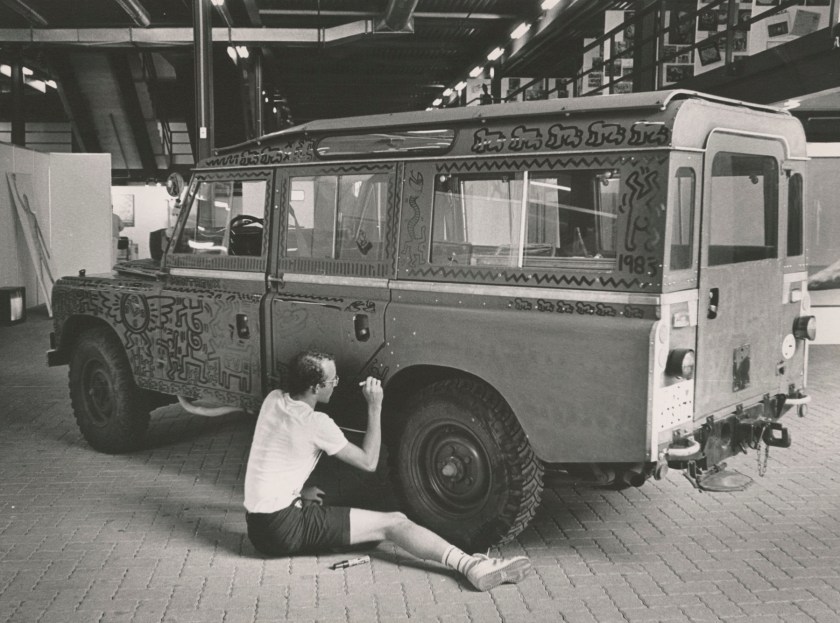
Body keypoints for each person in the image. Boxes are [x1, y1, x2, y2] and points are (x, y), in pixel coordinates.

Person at [243, 351, 532, 591]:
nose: (336, 384)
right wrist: (375, 406)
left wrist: (297, 492)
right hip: (282, 528)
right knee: (394, 523)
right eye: (333, 380)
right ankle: (471, 566)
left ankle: (335, 533)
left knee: (370, 531)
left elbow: (274, 454)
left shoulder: (274, 400)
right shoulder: (317, 423)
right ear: (316, 388)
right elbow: (369, 462)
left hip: (258, 524)